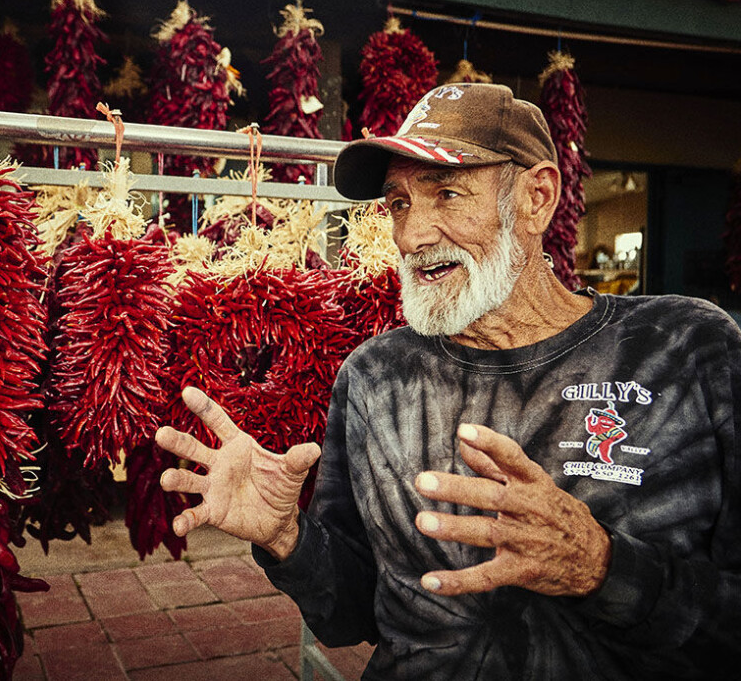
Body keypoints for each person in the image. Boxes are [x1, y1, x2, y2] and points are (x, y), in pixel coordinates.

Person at [155, 83, 741, 679]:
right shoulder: (375, 378)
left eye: (448, 194)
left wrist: (603, 567)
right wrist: (287, 538)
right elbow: (351, 617)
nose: (412, 237)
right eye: (400, 203)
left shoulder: (686, 349)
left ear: (537, 198)